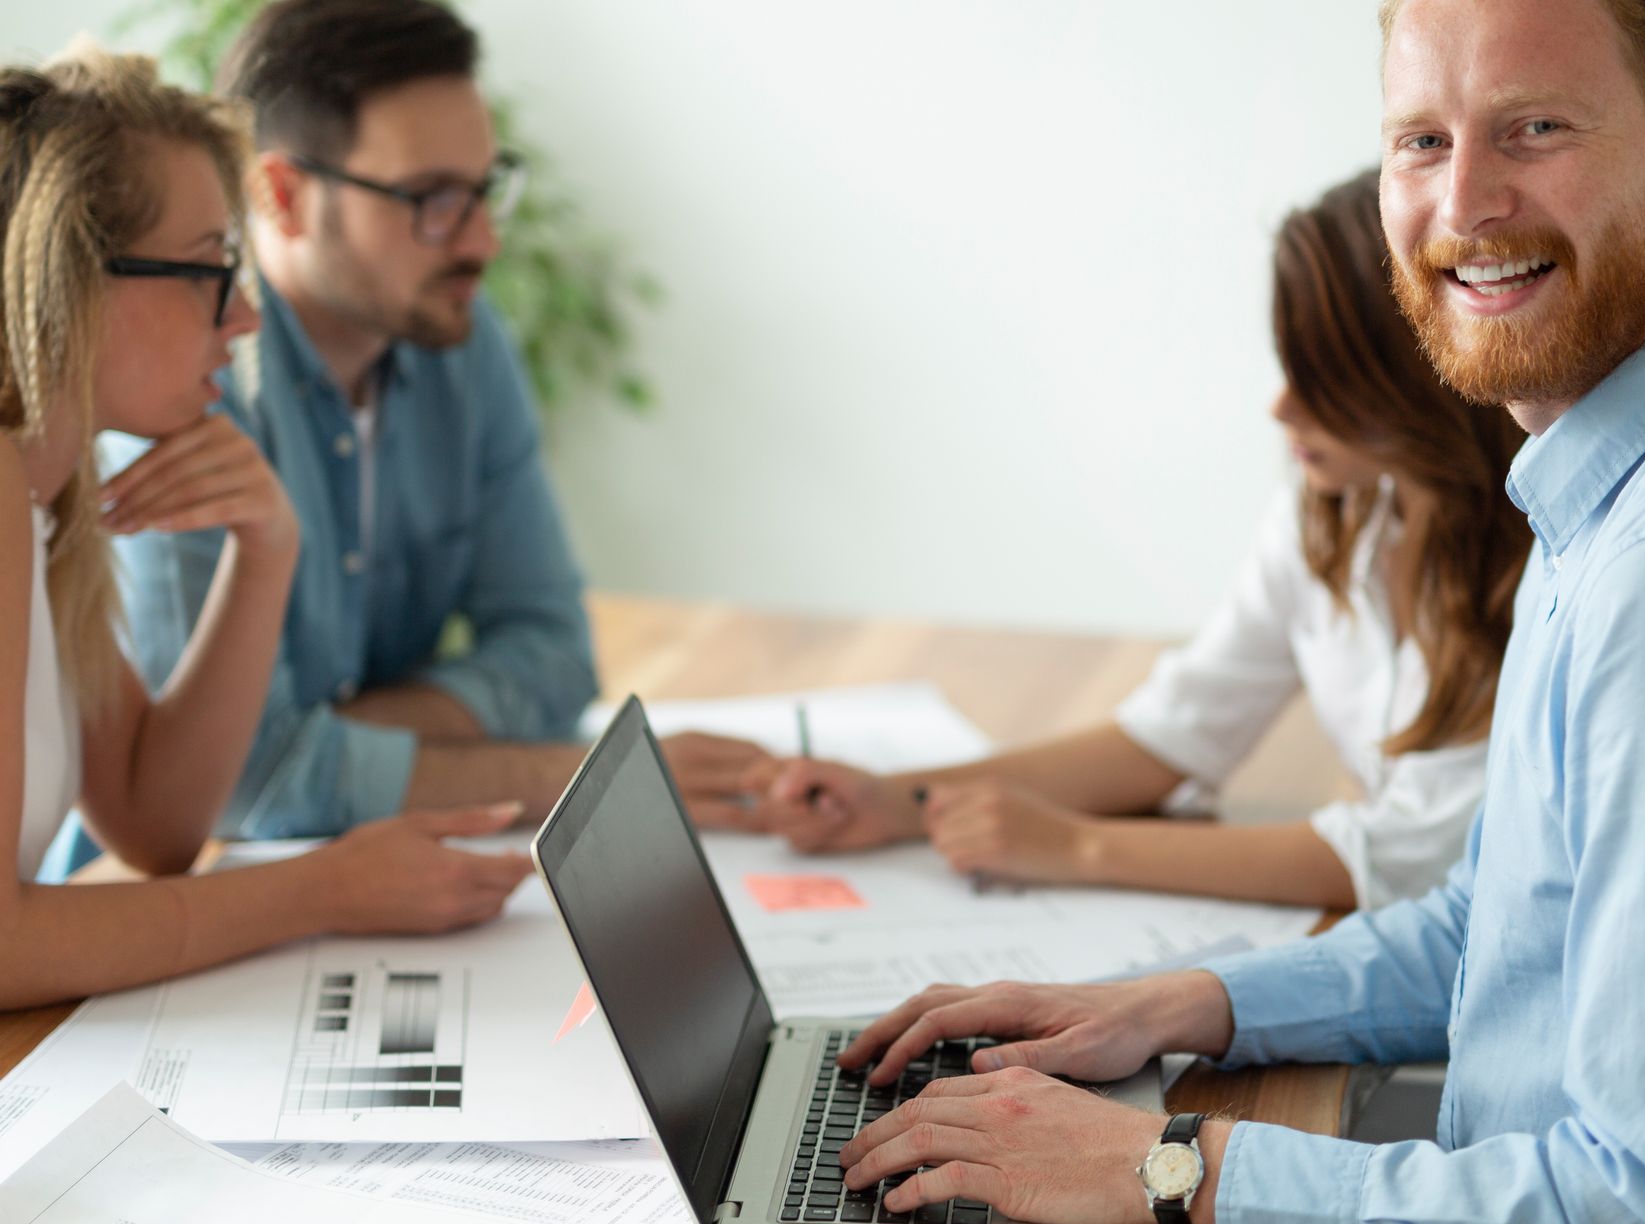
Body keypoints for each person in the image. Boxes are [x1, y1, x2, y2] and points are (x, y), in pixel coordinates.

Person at [819, 0, 1645, 1224]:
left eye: (1536, 128)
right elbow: (1506, 929)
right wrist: (1174, 1003)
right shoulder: (1635, 482)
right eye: (1422, 142)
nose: (1464, 208)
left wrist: (1170, 1168)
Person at [744, 171, 1530, 911]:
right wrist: (898, 801)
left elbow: (1406, 858)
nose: (1282, 408)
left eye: (1326, 382)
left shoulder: (1541, 570)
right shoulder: (1331, 512)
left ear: (1422, 378)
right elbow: (1172, 730)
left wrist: (1080, 848)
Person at [103, 0, 766, 843]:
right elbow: (240, 790)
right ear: (282, 194)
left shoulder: (463, 340)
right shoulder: (180, 390)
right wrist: (570, 777)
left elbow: (554, 652)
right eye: (432, 199)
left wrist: (348, 736)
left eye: (484, 189)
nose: (482, 240)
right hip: (157, 907)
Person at [0, 44, 533, 1012]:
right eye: (210, 269)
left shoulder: (47, 496)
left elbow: (154, 826)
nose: (244, 318)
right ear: (73, 282)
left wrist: (267, 549)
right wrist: (324, 889)